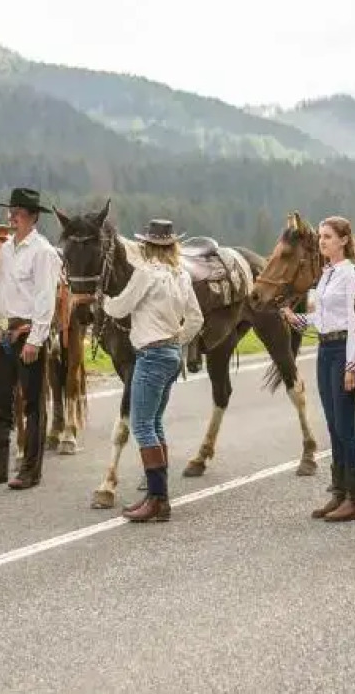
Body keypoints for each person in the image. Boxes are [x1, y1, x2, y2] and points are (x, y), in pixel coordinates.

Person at [100, 218, 204, 523]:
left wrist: (103, 298)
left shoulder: (146, 273)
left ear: (146, 246)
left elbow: (119, 309)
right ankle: (158, 496)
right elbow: (196, 320)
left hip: (151, 354)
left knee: (142, 425)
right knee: (155, 422)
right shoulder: (181, 275)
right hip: (171, 354)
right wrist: (176, 340)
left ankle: (158, 499)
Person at [0, 186, 63, 490]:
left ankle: (31, 471)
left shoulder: (43, 252)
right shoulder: (6, 249)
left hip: (27, 334)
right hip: (5, 334)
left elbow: (46, 300)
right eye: (10, 212)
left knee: (32, 405)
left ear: (32, 217)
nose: (11, 217)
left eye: (17, 213)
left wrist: (36, 340)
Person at [280, 216, 355, 522]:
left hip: (344, 350)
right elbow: (324, 317)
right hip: (324, 349)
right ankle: (339, 492)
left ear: (345, 240)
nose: (322, 242)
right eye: (320, 237)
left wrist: (353, 364)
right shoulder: (328, 274)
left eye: (329, 237)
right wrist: (299, 320)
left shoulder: (353, 274)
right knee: (333, 425)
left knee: (346, 426)